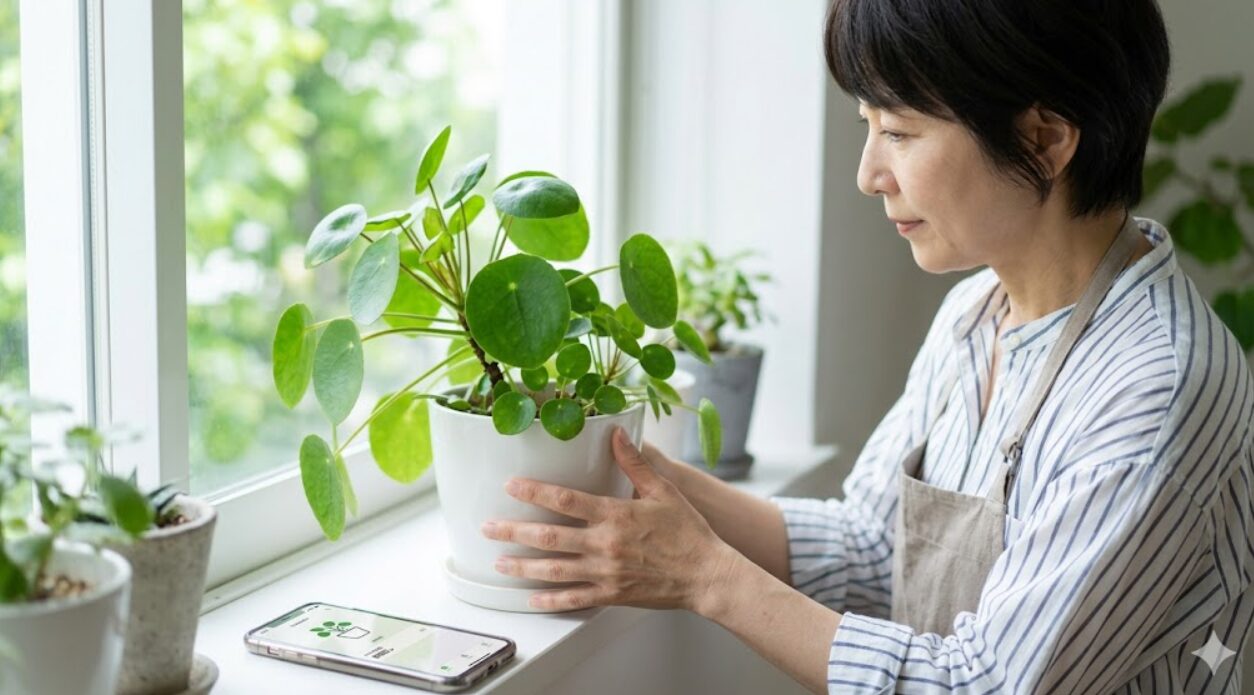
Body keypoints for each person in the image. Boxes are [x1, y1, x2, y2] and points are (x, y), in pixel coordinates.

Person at [481, 0, 1254, 692]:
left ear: (1044, 139)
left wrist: (704, 575)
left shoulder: (1155, 387)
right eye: (868, 128)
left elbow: (981, 686)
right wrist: (638, 469)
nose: (869, 174)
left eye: (899, 132)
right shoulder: (975, 314)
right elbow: (871, 547)